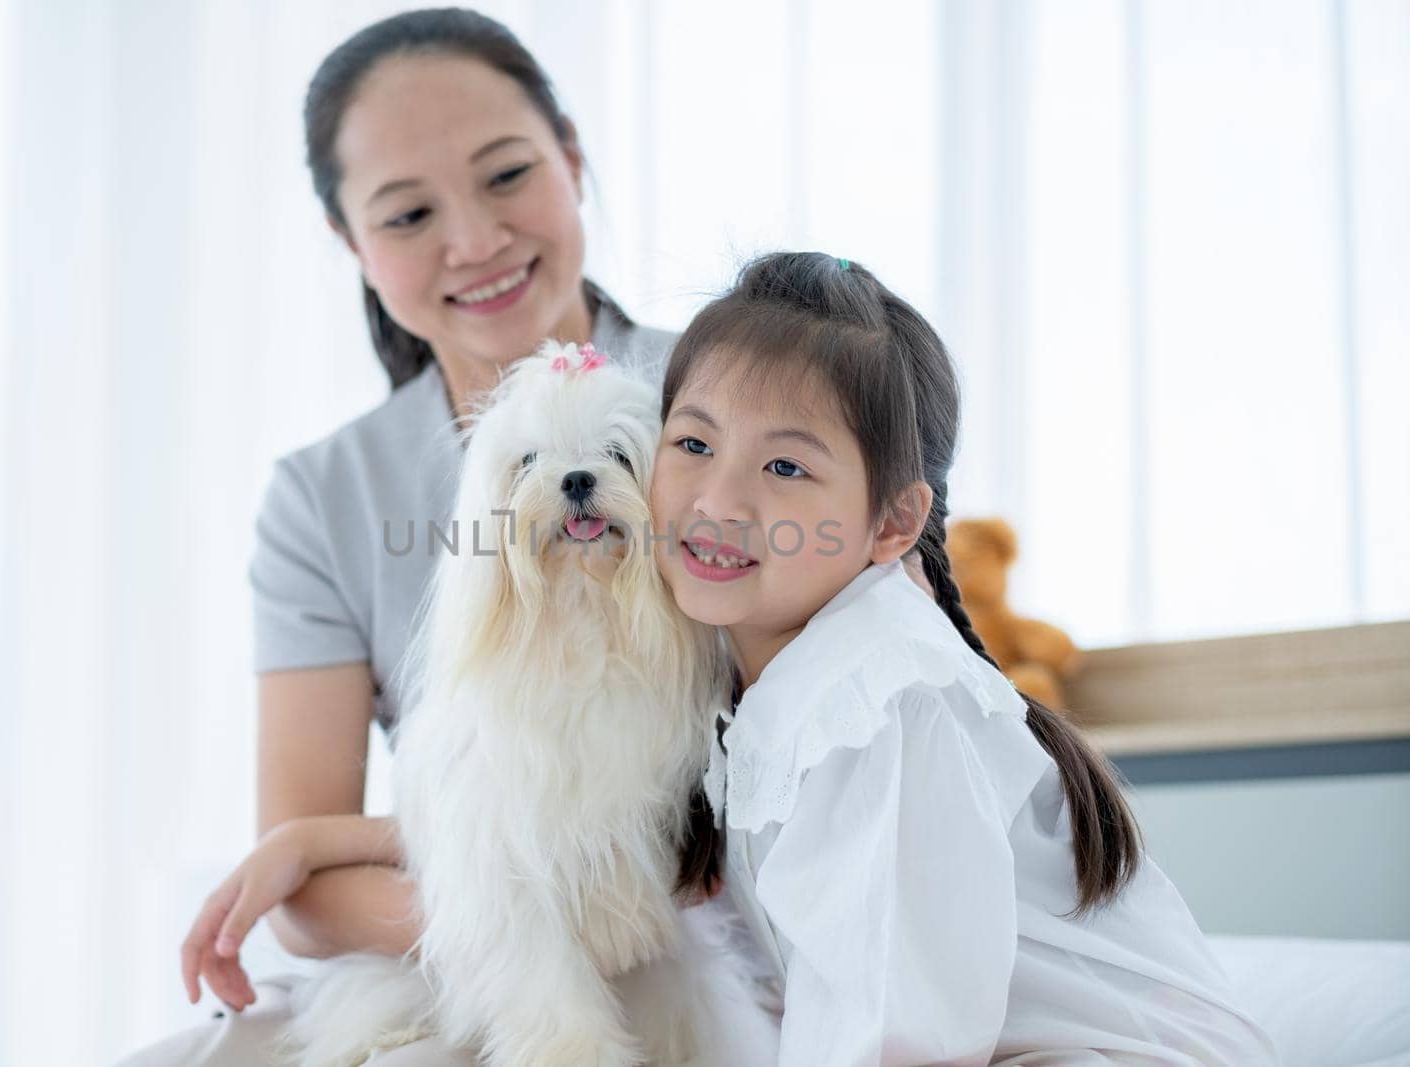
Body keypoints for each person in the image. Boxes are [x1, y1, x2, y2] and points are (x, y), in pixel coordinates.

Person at [114, 9, 680, 1066]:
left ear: (571, 155)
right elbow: (307, 899)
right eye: (410, 212)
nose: (474, 241)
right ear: (350, 242)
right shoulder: (321, 496)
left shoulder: (727, 400)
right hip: (464, 955)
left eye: (507, 175)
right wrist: (525, 931)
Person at [647, 251, 1282, 1065]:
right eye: (693, 442)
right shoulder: (751, 688)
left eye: (785, 466)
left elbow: (894, 1035)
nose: (718, 500)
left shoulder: (877, 698)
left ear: (891, 522)